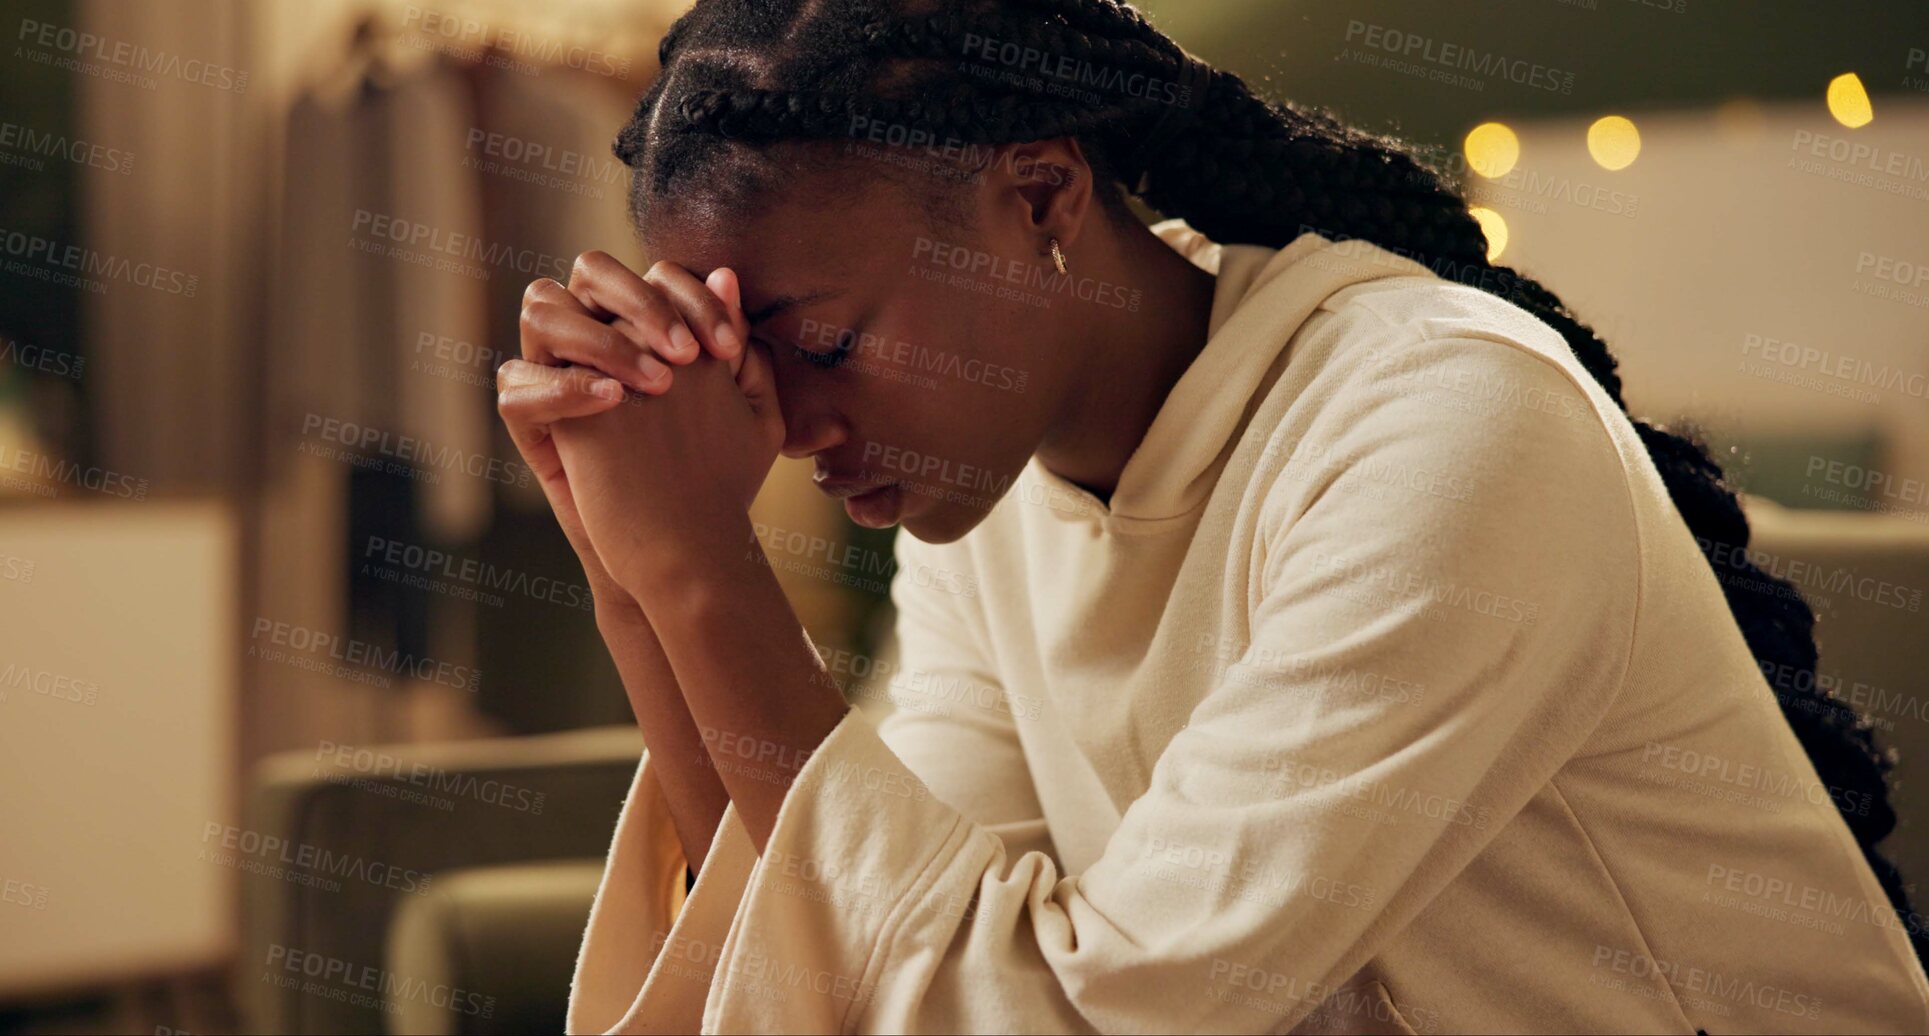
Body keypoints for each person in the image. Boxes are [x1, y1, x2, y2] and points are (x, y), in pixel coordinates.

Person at [492, 1, 1929, 1030]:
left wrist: (700, 574)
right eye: (746, 373)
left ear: (1041, 195)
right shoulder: (983, 507)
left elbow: (1074, 1014)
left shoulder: (1438, 423)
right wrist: (636, 576)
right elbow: (872, 963)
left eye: (821, 347)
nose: (790, 438)